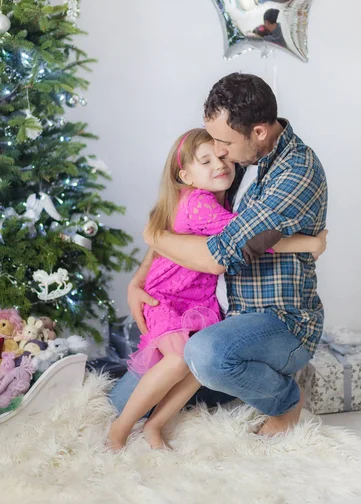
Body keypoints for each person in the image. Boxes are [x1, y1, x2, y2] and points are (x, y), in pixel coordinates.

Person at [108, 126, 327, 450]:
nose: (220, 163)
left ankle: (153, 426)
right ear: (185, 175)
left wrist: (156, 238)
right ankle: (119, 430)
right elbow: (243, 239)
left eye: (222, 155)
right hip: (171, 300)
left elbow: (172, 232)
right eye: (207, 160)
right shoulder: (199, 202)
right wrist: (308, 243)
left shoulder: (228, 186)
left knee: (194, 363)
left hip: (199, 303)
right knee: (166, 369)